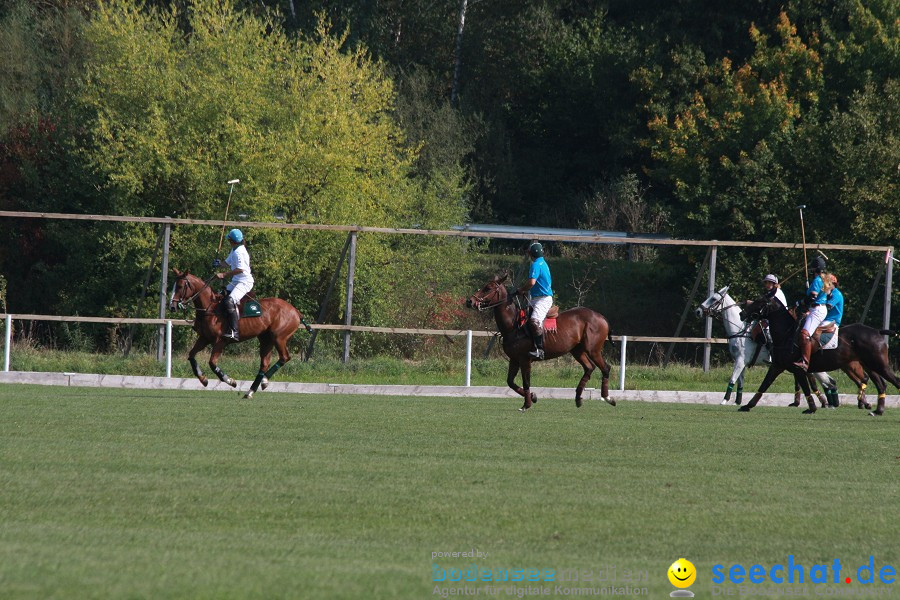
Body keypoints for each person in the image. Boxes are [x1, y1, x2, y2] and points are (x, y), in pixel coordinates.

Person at [516, 242, 553, 360]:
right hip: (536, 298)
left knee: (534, 321)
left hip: (542, 299)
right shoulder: (543, 263)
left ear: (532, 254)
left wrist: (521, 289)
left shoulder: (536, 264)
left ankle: (539, 350)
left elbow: (531, 282)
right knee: (522, 319)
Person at [216, 228, 254, 341]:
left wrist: (224, 274)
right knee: (221, 295)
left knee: (229, 301)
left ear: (232, 241)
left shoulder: (239, 252)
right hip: (236, 281)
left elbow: (240, 269)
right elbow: (226, 263)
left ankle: (234, 332)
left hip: (244, 282)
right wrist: (218, 264)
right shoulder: (234, 249)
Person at [793, 256, 828, 371]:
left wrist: (800, 302)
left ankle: (805, 362)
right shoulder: (824, 279)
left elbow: (812, 297)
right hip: (817, 308)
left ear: (815, 270)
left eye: (812, 269)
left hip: (817, 309)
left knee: (804, 334)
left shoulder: (817, 280)